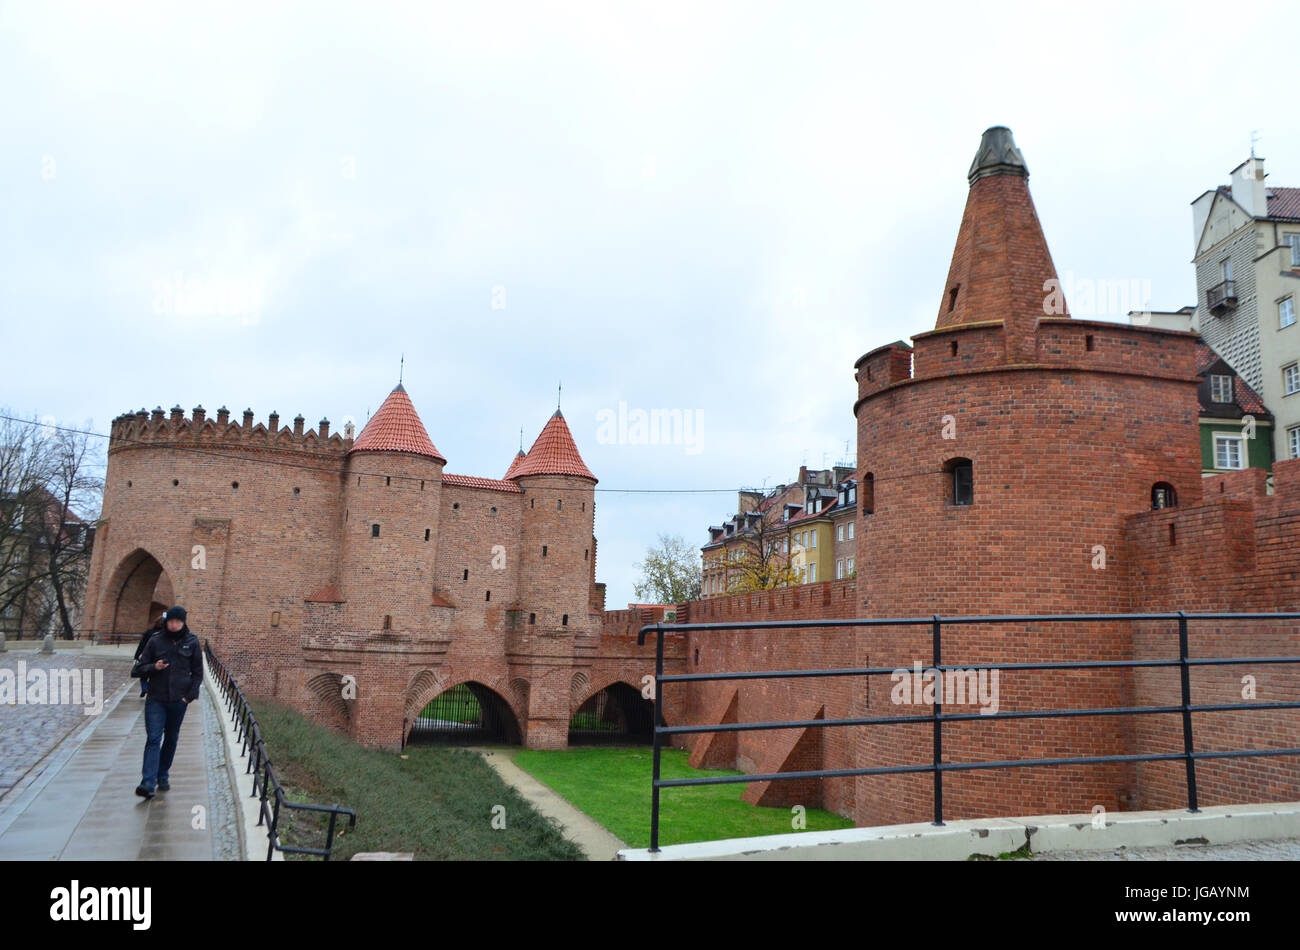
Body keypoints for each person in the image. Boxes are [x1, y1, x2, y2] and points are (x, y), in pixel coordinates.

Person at [131, 605, 203, 799]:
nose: (174, 625)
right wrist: (154, 666)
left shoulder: (192, 642)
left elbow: (198, 673)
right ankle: (147, 783)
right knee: (154, 738)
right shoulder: (155, 641)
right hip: (156, 698)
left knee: (171, 738)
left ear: (183, 622)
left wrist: (188, 697)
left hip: (178, 700)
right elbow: (138, 669)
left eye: (178, 622)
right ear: (166, 622)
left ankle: (162, 774)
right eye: (171, 621)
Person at [133, 614, 165, 697]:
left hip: (147, 656)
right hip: (158, 657)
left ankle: (144, 688)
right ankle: (152, 690)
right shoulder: (164, 634)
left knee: (143, 674)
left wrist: (136, 656)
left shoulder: (149, 632)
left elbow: (141, 645)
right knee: (155, 675)